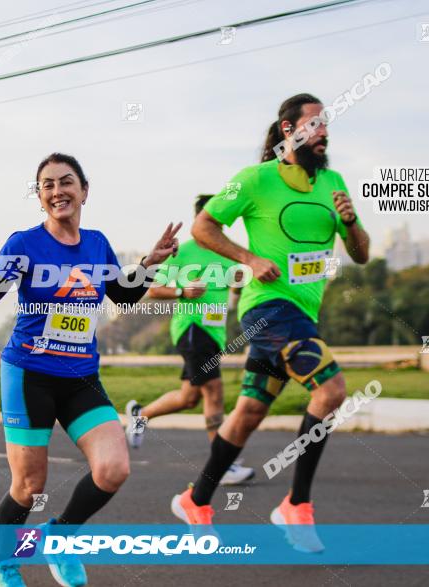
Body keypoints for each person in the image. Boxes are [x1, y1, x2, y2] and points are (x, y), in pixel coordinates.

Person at [0, 152, 181, 587]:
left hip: (81, 377)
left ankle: (58, 539)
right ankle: (1, 563)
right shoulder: (24, 244)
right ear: (40, 197)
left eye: (66, 182)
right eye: (47, 185)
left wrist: (151, 262)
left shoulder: (97, 243)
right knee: (29, 485)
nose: (58, 191)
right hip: (30, 374)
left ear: (84, 191)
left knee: (114, 468)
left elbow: (122, 294)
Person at [170, 94, 370, 553]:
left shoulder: (333, 182)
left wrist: (352, 221)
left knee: (250, 412)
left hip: (302, 312)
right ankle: (296, 506)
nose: (324, 132)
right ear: (288, 130)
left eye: (326, 124)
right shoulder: (254, 180)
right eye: (315, 124)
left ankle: (195, 499)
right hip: (267, 309)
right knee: (332, 390)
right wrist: (249, 258)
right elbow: (204, 227)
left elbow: (360, 254)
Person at [124, 194, 254, 485]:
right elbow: (153, 289)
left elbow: (236, 289)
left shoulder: (229, 254)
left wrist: (240, 290)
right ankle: (221, 466)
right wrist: (183, 291)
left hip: (214, 332)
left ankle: (139, 414)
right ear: (200, 221)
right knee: (215, 392)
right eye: (213, 219)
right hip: (192, 329)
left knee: (190, 397)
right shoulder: (183, 253)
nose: (218, 224)